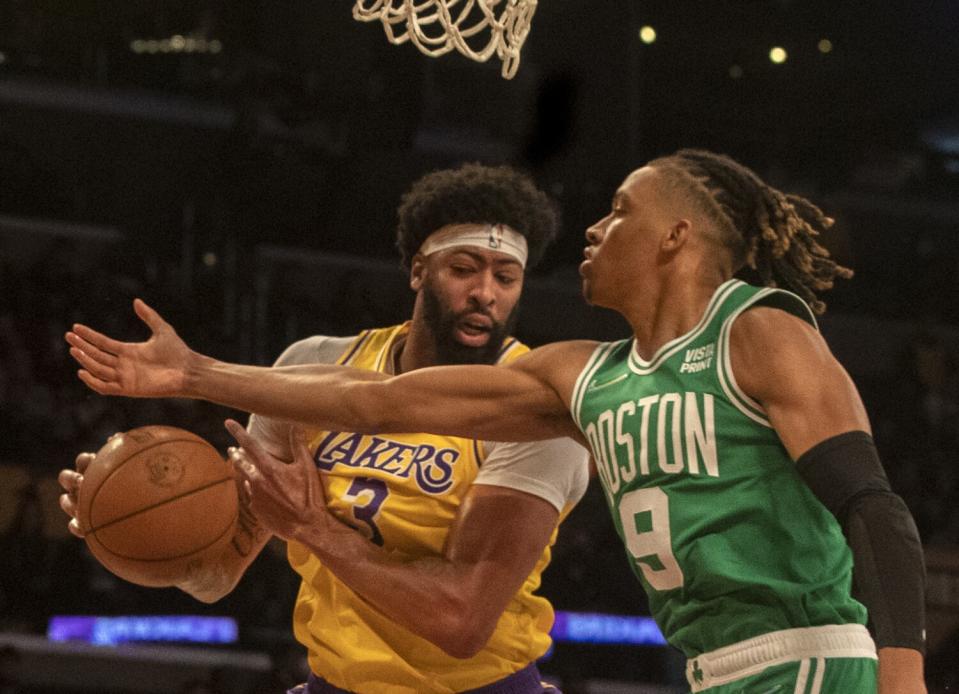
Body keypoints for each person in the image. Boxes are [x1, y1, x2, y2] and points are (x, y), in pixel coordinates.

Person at [64, 149, 927, 693]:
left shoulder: (757, 329)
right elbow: (380, 401)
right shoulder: (585, 376)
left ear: (674, 236)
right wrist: (195, 374)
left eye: (618, 210)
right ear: (415, 269)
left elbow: (875, 508)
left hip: (807, 657)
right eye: (466, 267)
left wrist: (901, 678)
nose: (594, 226)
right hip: (708, 668)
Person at [59, 163, 589, 693]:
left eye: (505, 277)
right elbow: (216, 575)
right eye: (465, 268)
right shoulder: (311, 367)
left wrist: (315, 530)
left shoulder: (534, 410)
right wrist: (125, 521)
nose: (485, 293)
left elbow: (462, 621)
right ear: (419, 271)